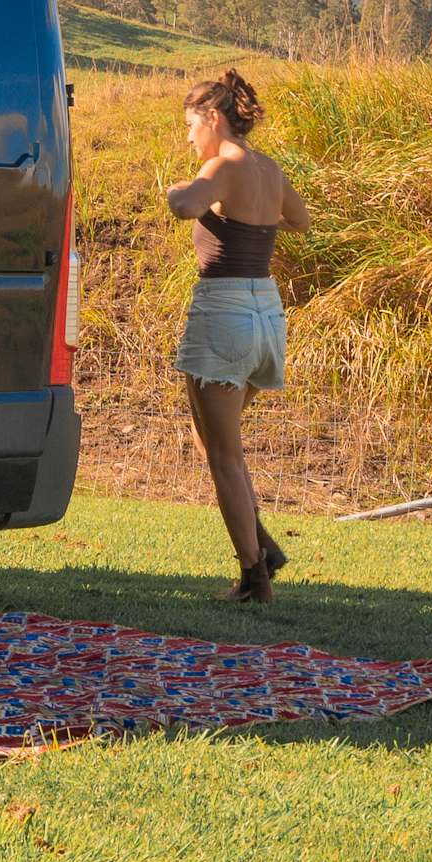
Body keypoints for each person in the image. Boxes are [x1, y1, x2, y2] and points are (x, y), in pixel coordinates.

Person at [164, 69, 311, 601]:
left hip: (224, 314)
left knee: (223, 455)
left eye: (190, 125)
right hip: (267, 314)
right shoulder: (268, 168)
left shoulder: (223, 164)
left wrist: (177, 189)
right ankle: (262, 543)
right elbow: (300, 219)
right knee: (212, 438)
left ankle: (254, 577)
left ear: (212, 117)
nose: (188, 137)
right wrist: (255, 219)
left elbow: (185, 205)